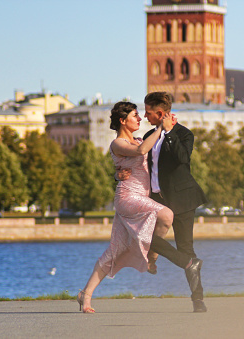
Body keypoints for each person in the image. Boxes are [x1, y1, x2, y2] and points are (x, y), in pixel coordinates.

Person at [77, 101, 175, 313]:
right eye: (135, 116)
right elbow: (141, 151)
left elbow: (149, 152)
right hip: (128, 197)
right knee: (166, 215)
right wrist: (160, 127)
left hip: (142, 196)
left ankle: (85, 295)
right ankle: (152, 257)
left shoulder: (141, 138)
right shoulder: (118, 143)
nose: (139, 119)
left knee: (115, 250)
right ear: (123, 121)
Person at [118, 92, 208, 313]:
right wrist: (119, 174)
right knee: (141, 236)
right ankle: (186, 262)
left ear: (160, 113)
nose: (145, 117)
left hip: (183, 200)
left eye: (148, 113)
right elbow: (137, 166)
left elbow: (182, 159)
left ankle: (198, 299)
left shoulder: (184, 134)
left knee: (186, 247)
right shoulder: (149, 136)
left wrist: (168, 132)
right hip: (156, 201)